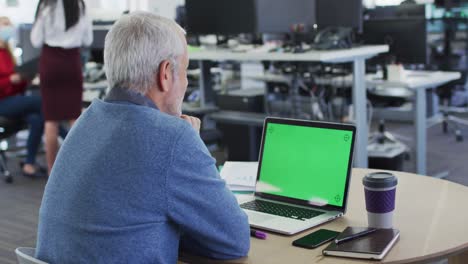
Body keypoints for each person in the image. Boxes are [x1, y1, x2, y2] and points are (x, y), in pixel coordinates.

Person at [35, 12, 250, 263]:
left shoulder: (87, 121)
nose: (185, 83)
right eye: (185, 70)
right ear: (166, 74)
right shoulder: (171, 137)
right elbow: (234, 240)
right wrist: (191, 144)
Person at [31, 0, 93, 174]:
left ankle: (52, 173)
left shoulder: (46, 5)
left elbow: (35, 40)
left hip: (50, 62)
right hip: (72, 62)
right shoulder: (80, 5)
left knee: (51, 121)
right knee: (75, 118)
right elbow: (87, 39)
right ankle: (80, 170)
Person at [0, 16, 46, 177]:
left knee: (37, 118)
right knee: (44, 104)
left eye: (9, 25)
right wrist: (9, 80)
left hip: (13, 99)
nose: (8, 28)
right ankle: (71, 144)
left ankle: (29, 162)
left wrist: (24, 78)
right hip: (3, 102)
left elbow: (17, 85)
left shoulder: (8, 52)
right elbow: (5, 83)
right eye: (4, 25)